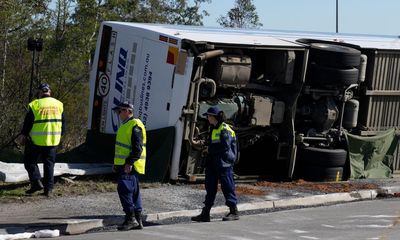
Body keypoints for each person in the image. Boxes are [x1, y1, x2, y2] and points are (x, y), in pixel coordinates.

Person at [191, 106, 239, 222]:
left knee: (227, 187)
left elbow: (225, 147)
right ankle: (205, 213)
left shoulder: (224, 129)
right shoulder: (214, 128)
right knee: (210, 187)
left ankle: (234, 211)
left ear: (214, 117)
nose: (207, 118)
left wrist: (209, 149)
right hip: (214, 162)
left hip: (224, 163)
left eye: (208, 116)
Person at [21, 83, 65, 197]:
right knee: (49, 165)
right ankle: (48, 189)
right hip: (53, 140)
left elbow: (28, 122)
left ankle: (36, 183)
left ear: (40, 92)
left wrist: (24, 135)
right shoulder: (59, 104)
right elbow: (63, 123)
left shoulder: (35, 104)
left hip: (36, 141)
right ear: (49, 92)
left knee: (29, 162)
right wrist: (61, 136)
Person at [112, 101, 146, 231]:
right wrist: (116, 164)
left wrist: (129, 162)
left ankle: (131, 219)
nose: (118, 114)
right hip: (125, 165)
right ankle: (137, 219)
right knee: (134, 193)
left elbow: (138, 148)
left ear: (127, 111)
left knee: (125, 190)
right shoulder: (127, 125)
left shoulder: (134, 125)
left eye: (119, 111)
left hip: (130, 166)